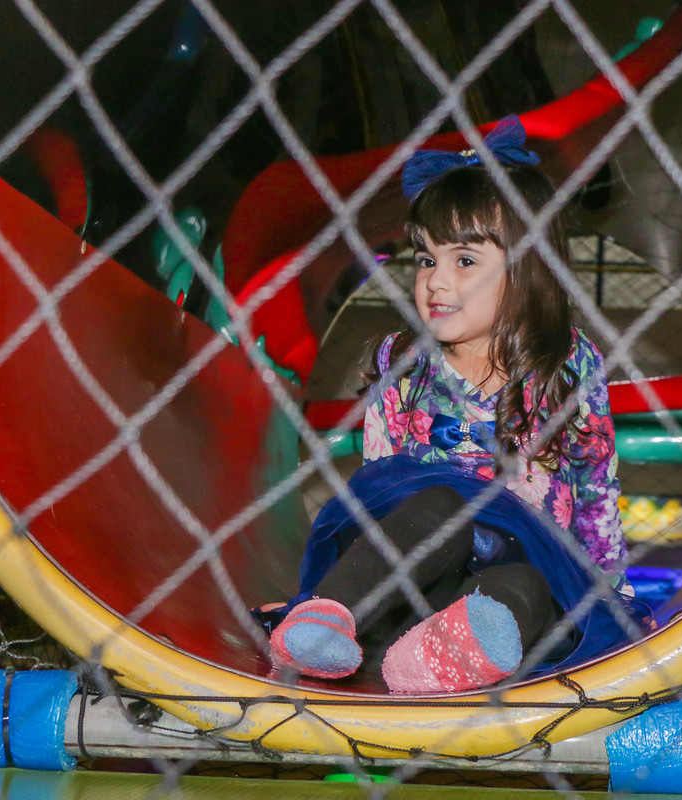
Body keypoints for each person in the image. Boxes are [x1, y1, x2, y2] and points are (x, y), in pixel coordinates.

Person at [256, 116, 645, 694]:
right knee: (437, 504)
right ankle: (326, 621)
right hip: (424, 568)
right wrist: (335, 584)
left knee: (527, 590)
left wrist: (615, 593)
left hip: (515, 573)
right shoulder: (403, 361)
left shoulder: (567, 364)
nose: (436, 281)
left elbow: (593, 486)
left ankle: (430, 661)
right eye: (425, 259)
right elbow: (380, 483)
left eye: (464, 261)